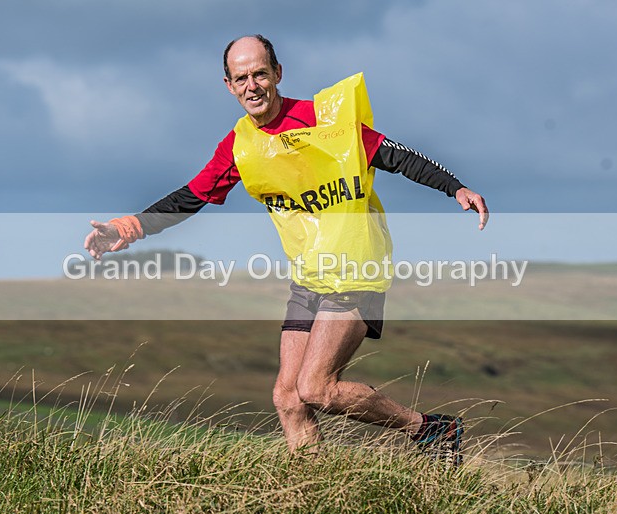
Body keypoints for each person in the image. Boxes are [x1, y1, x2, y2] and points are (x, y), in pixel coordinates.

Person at [84, 35, 488, 463]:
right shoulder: (239, 145)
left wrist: (454, 187)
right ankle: (312, 491)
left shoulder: (322, 121)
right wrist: (128, 226)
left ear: (277, 74)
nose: (251, 85)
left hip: (354, 270)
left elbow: (394, 154)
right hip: (308, 278)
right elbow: (191, 196)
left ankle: (430, 429)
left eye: (259, 73)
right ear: (228, 85)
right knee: (287, 398)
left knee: (316, 388)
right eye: (241, 78)